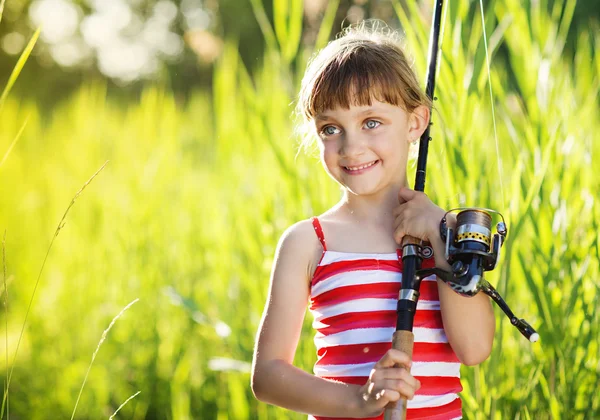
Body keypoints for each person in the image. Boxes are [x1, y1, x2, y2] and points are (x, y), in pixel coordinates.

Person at [251, 21, 495, 420]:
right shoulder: (307, 242)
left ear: (415, 122)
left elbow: (475, 349)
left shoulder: (448, 236)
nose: (351, 146)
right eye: (331, 128)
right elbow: (268, 376)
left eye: (371, 122)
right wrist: (359, 401)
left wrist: (438, 231)